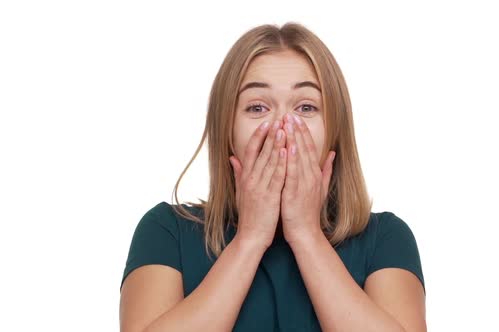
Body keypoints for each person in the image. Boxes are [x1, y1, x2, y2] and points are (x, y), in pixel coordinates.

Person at [119, 22, 426, 332]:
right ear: (227, 131)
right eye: (257, 107)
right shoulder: (165, 231)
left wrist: (307, 234)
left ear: (335, 131)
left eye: (306, 107)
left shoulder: (386, 238)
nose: (282, 125)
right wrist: (250, 238)